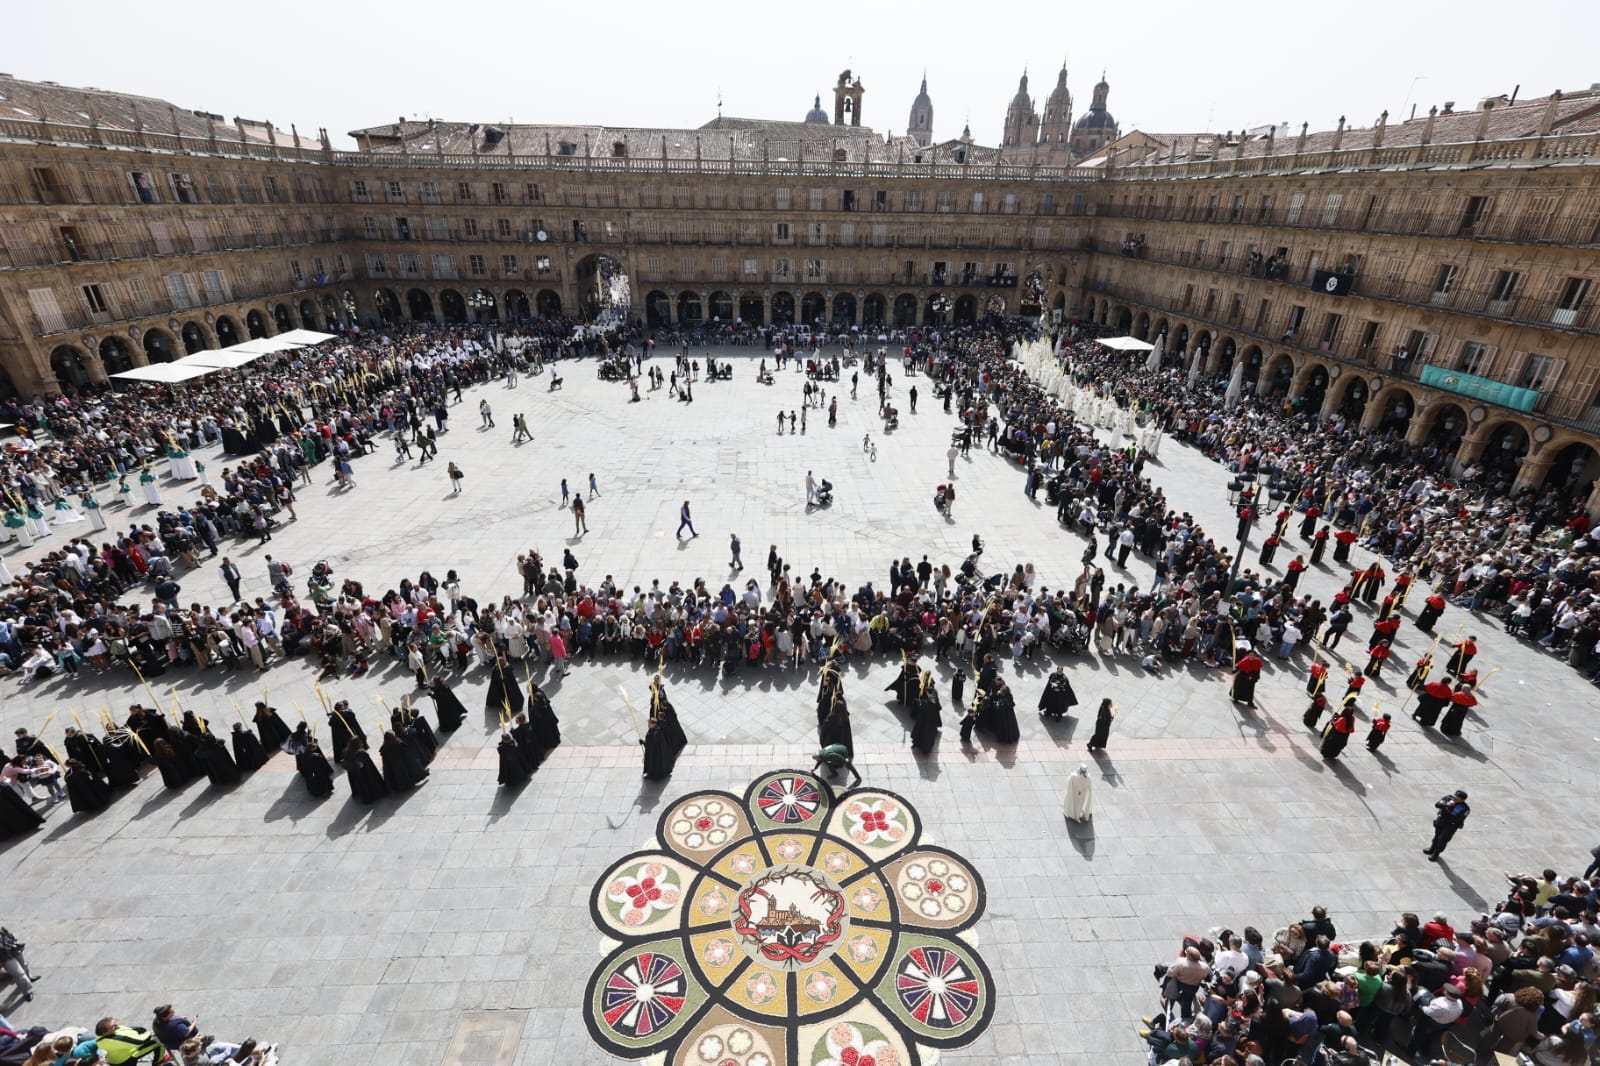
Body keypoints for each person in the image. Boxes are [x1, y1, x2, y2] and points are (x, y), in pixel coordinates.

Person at [1426, 790, 1470, 861]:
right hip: (1441, 820)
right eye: (1455, 796)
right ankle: (1432, 848)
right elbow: (1437, 804)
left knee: (1443, 839)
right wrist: (1446, 805)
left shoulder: (1464, 808)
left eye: (1457, 798)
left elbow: (1453, 817)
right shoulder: (1448, 798)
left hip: (1451, 825)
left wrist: (1446, 806)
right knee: (1437, 836)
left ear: (1462, 800)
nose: (1454, 798)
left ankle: (1436, 853)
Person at [0, 926, 37, 1002]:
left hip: (12, 947)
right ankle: (28, 991)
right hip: (3, 957)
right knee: (18, 973)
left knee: (23, 964)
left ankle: (28, 977)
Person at [909, 670, 942, 754]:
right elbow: (938, 707)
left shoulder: (925, 703)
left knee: (923, 734)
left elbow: (921, 709)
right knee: (929, 735)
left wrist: (918, 702)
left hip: (925, 721)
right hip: (932, 722)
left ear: (928, 693)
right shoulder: (934, 699)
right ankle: (927, 747)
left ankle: (922, 746)